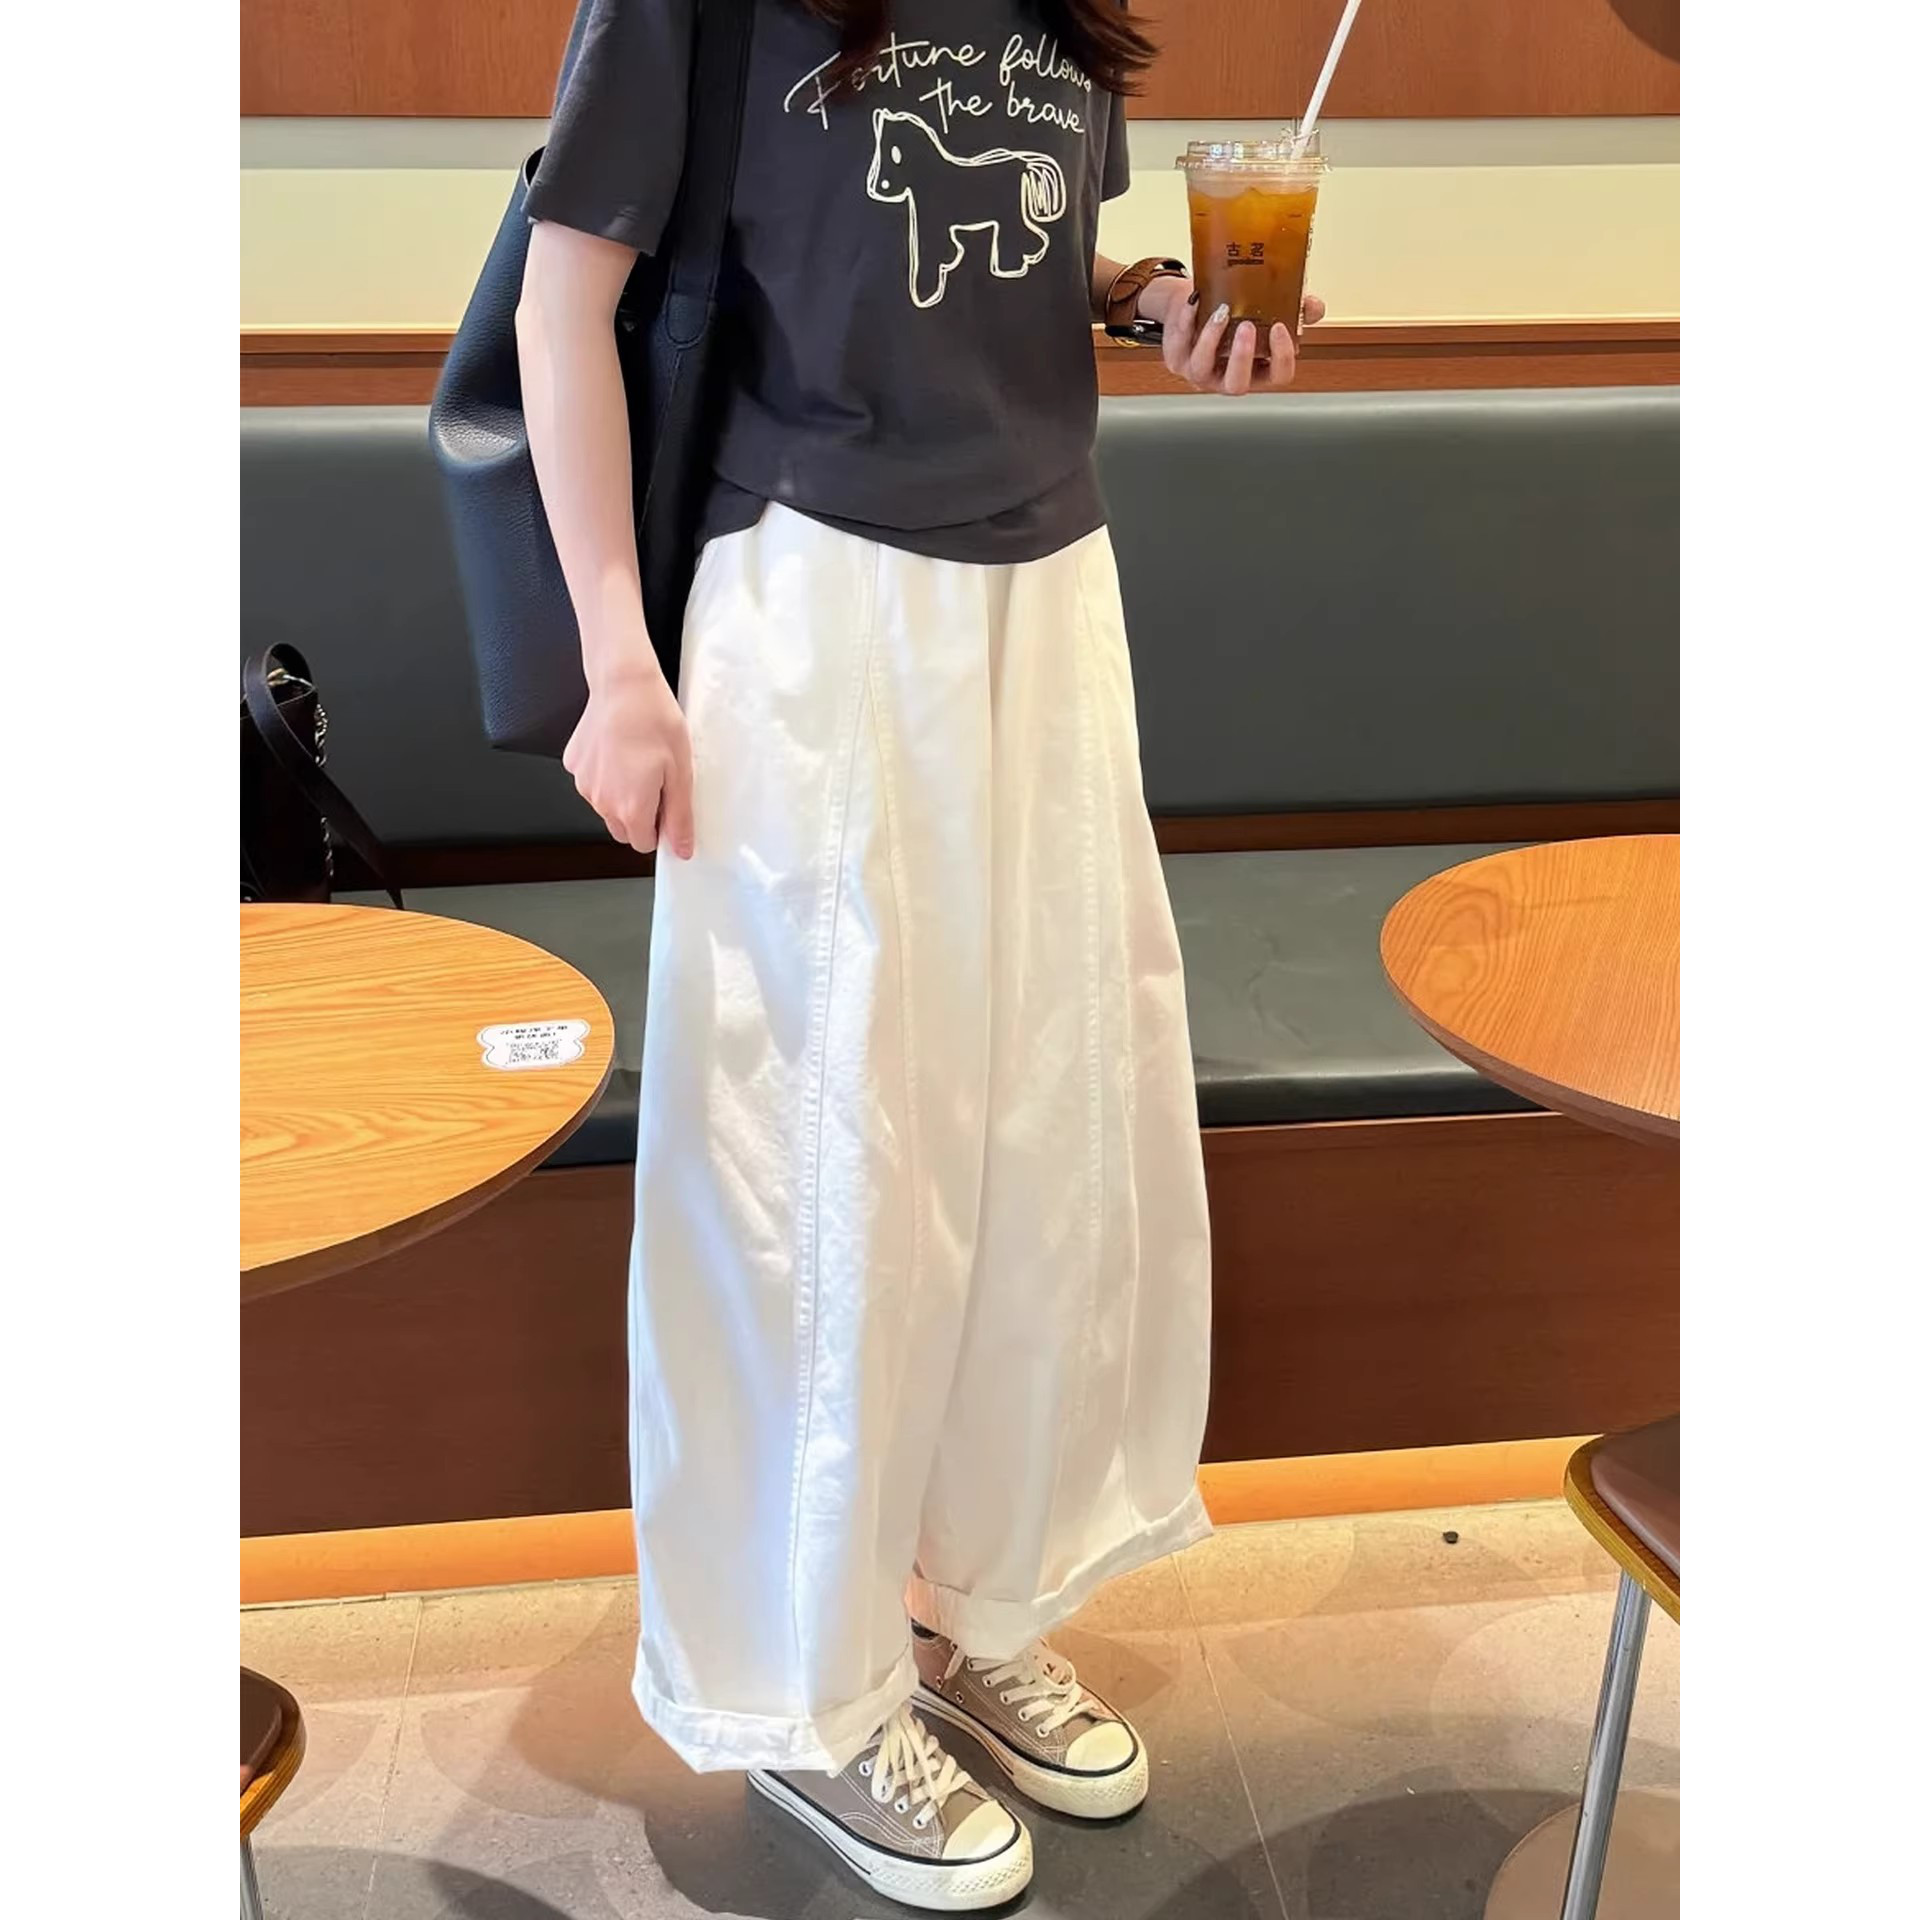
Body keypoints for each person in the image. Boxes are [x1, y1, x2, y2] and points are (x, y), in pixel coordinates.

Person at [516, 1, 1320, 1907]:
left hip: (1051, 594)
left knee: (1045, 1134)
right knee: (811, 1176)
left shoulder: (1057, 7)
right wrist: (617, 660)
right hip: (815, 592)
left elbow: (1014, 275)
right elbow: (565, 303)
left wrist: (1154, 299)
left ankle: (977, 1602)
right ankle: (808, 1695)